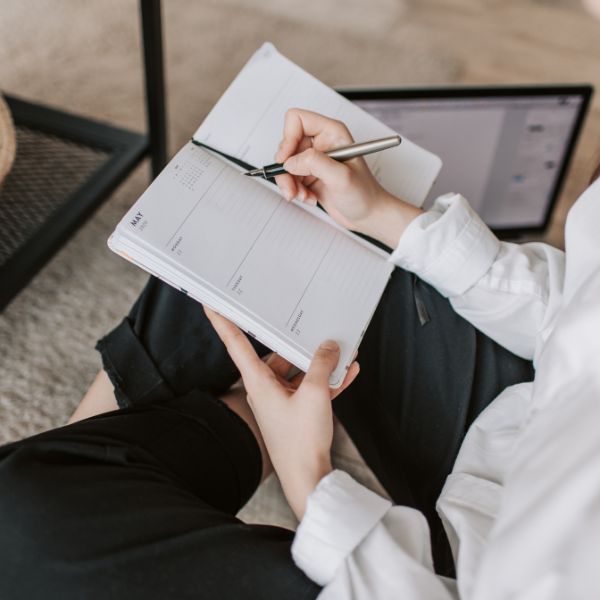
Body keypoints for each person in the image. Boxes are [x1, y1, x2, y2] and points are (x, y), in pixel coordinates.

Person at [0, 108, 598, 600]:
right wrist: (386, 216)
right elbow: (576, 310)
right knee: (281, 230)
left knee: (22, 522)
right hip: (525, 420)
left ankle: (119, 453)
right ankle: (166, 436)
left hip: (458, 574)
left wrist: (310, 478)